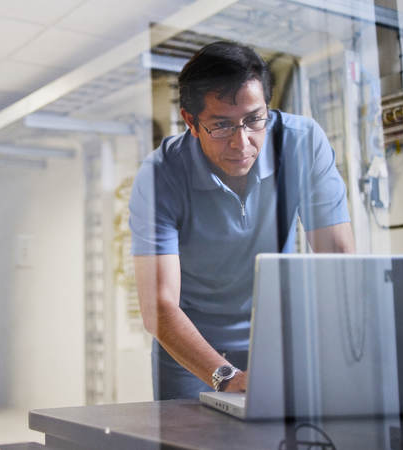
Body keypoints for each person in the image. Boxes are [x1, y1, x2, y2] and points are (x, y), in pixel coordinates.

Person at [129, 41, 355, 400]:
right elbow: (159, 305)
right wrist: (224, 376)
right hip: (190, 352)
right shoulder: (160, 175)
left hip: (274, 339)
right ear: (191, 122)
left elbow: (338, 260)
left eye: (254, 120)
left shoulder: (302, 142)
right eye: (221, 126)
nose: (242, 142)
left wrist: (340, 350)